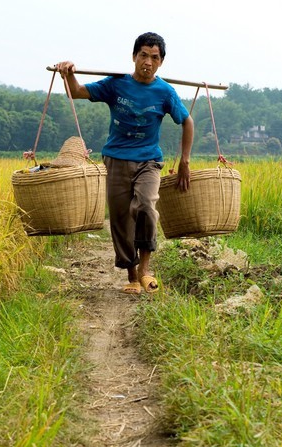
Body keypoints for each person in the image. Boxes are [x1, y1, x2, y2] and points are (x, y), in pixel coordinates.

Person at [56, 32, 194, 294]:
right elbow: (76, 92)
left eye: (154, 58)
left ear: (161, 62)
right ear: (133, 56)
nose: (148, 62)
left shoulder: (165, 92)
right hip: (116, 159)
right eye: (143, 55)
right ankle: (132, 277)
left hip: (148, 161)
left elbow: (187, 121)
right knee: (120, 219)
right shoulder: (116, 84)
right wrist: (68, 72)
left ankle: (145, 269)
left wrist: (185, 161)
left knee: (145, 207)